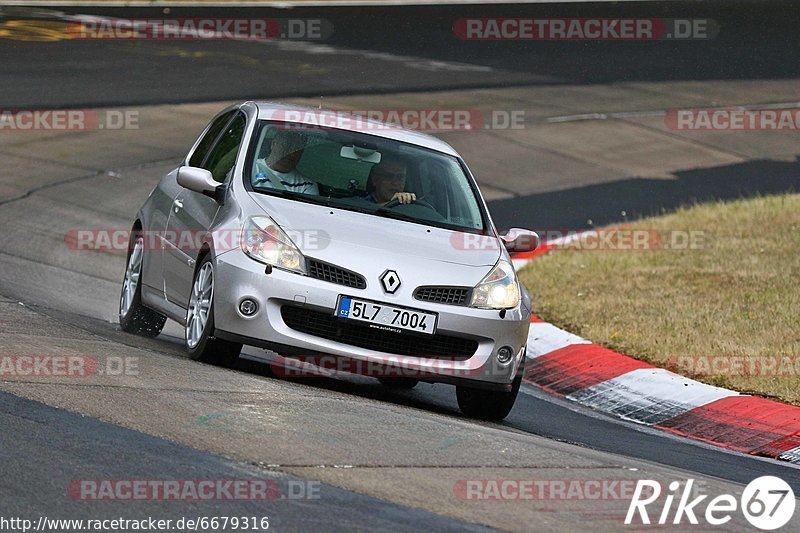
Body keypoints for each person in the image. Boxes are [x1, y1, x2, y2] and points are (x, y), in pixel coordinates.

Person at [253, 130, 319, 195]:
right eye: (286, 146)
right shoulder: (251, 169)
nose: (291, 153)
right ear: (273, 144)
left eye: (297, 149)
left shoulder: (306, 185)